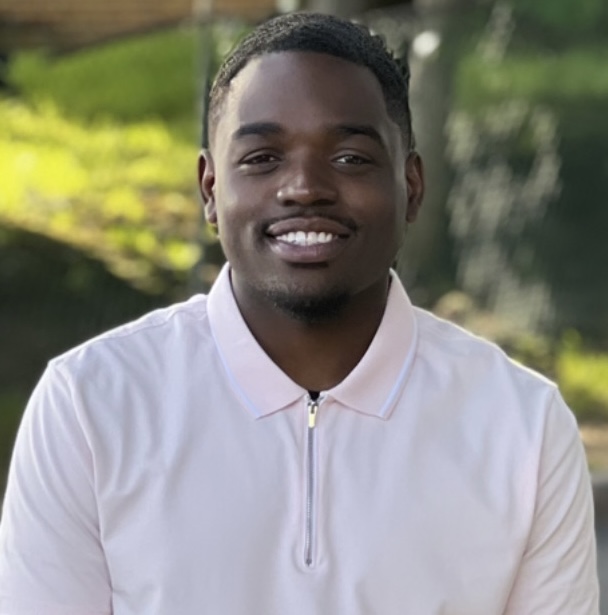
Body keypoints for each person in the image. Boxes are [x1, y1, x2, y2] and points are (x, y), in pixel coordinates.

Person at [0, 12, 599, 615]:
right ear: (210, 190)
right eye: (262, 158)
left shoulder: (524, 427)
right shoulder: (90, 405)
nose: (305, 187)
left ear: (412, 186)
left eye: (350, 158)